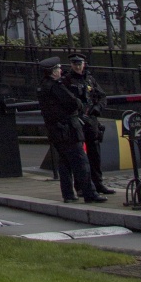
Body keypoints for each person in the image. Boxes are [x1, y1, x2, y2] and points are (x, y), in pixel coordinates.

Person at [38, 58, 106, 204]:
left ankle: (68, 194)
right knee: (82, 162)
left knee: (64, 163)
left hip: (55, 130)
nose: (60, 71)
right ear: (53, 71)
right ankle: (90, 193)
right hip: (68, 129)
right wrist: (79, 105)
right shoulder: (55, 86)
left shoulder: (43, 86)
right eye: (58, 69)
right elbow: (73, 102)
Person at [67, 52, 115, 195]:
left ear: (84, 64)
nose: (77, 66)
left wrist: (97, 108)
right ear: (71, 65)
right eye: (75, 64)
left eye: (79, 64)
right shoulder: (67, 80)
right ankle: (81, 186)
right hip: (77, 120)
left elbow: (102, 96)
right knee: (79, 155)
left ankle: (98, 183)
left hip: (91, 120)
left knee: (95, 155)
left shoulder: (90, 79)